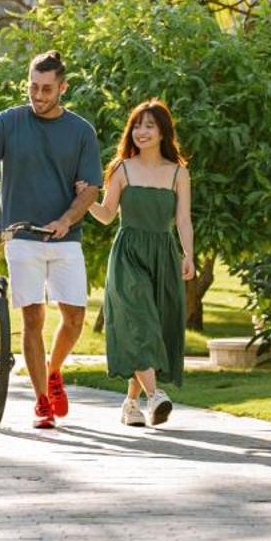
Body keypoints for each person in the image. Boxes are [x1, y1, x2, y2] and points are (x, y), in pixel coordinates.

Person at [0, 49, 103, 430]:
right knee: (33, 317)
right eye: (33, 86)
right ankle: (42, 401)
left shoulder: (81, 131)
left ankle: (54, 370)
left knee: (75, 318)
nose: (38, 95)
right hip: (20, 235)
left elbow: (91, 189)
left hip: (64, 238)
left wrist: (65, 220)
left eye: (47, 88)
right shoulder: (8, 122)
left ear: (63, 88)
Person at [87, 99, 196, 426]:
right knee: (139, 323)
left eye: (149, 125)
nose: (141, 131)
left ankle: (131, 404)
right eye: (137, 125)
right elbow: (107, 216)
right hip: (128, 255)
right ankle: (155, 396)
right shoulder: (121, 169)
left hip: (163, 255)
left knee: (156, 328)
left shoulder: (178, 173)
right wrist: (84, 199)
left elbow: (183, 221)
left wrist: (188, 254)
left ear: (163, 131)